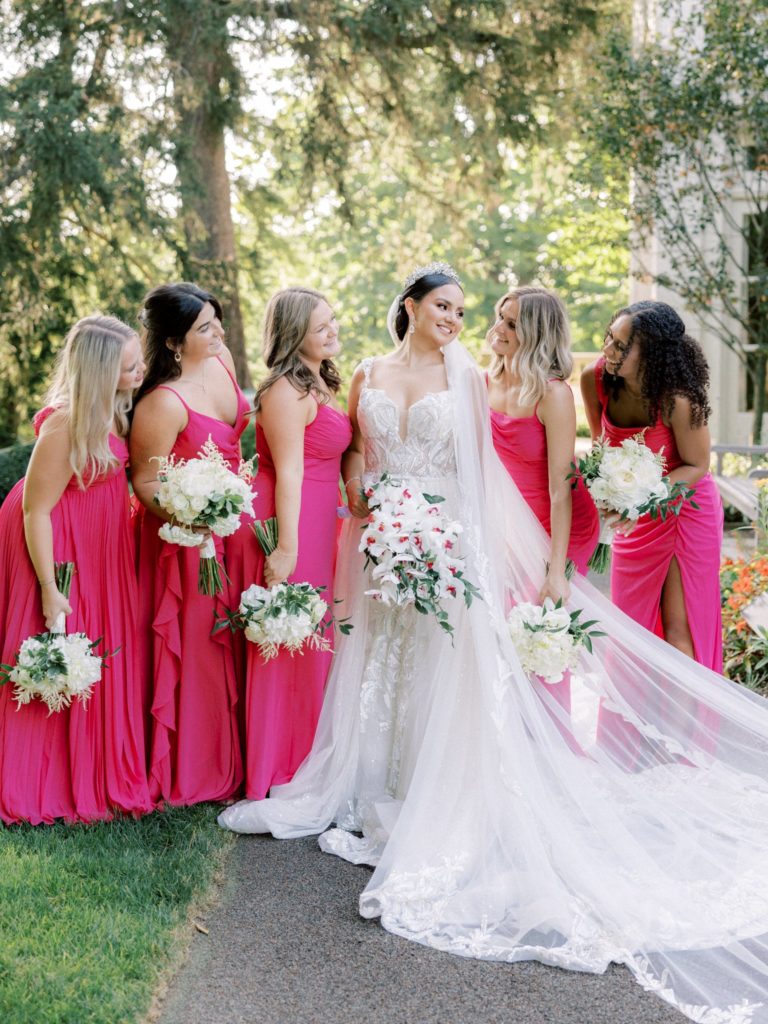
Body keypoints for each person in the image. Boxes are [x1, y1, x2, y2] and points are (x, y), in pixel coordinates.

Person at [220, 265, 768, 1024]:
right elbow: (358, 452)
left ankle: (441, 790)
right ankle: (377, 778)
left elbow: (484, 474)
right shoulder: (372, 372)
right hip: (382, 536)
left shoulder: (469, 378)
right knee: (381, 663)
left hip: (446, 538)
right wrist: (363, 493)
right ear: (410, 306)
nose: (456, 318)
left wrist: (511, 557)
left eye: (462, 309)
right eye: (442, 305)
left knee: (452, 669)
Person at [0, 315, 152, 824]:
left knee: (98, 649)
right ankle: (44, 779)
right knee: (58, 648)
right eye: (130, 365)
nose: (141, 370)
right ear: (100, 371)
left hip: (102, 545)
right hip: (56, 546)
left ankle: (98, 769)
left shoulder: (116, 409)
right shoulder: (66, 423)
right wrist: (48, 587)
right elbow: (34, 510)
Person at [232, 287, 351, 800]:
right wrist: (286, 547)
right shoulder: (284, 390)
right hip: (292, 518)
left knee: (312, 640)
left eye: (332, 322)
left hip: (323, 518)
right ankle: (278, 769)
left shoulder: (319, 384)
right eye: (321, 326)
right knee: (288, 639)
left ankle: (308, 759)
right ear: (294, 334)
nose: (332, 332)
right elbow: (290, 472)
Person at [131, 282, 247, 805]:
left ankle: (238, 759)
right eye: (205, 327)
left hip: (231, 531)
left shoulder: (221, 367)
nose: (218, 331)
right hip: (185, 544)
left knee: (231, 642)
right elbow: (146, 482)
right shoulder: (162, 401)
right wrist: (193, 517)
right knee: (200, 650)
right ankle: (195, 770)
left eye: (216, 320)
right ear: (175, 342)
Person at [581, 301, 724, 671]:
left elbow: (697, 465)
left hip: (684, 511)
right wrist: (609, 491)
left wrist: (640, 500)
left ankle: (681, 728)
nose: (608, 351)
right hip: (636, 513)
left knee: (679, 630)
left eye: (621, 346)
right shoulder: (595, 379)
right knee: (629, 628)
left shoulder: (678, 399)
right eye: (610, 339)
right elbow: (603, 452)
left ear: (652, 354)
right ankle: (637, 726)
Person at [487, 286, 599, 595]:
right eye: (500, 317)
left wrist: (556, 569)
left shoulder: (553, 395)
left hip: (561, 523)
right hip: (514, 521)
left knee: (542, 614)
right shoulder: (483, 382)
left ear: (536, 335)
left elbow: (560, 488)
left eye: (512, 325)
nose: (498, 328)